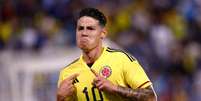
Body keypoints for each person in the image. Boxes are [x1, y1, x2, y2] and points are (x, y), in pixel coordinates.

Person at [57, 8, 157, 101]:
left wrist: (115, 88)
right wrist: (60, 98)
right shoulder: (67, 73)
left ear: (103, 33)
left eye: (90, 28)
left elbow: (150, 97)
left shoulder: (121, 59)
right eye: (80, 28)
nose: (84, 33)